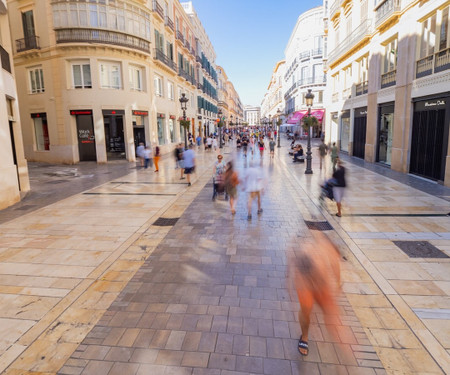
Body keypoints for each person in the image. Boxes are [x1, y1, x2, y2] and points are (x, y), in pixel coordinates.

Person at [288, 232, 341, 356]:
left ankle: (334, 332)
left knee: (330, 311)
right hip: (305, 280)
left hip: (322, 282)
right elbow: (294, 263)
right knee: (306, 309)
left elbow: (335, 264)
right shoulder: (305, 246)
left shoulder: (327, 246)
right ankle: (304, 337)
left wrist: (338, 282)